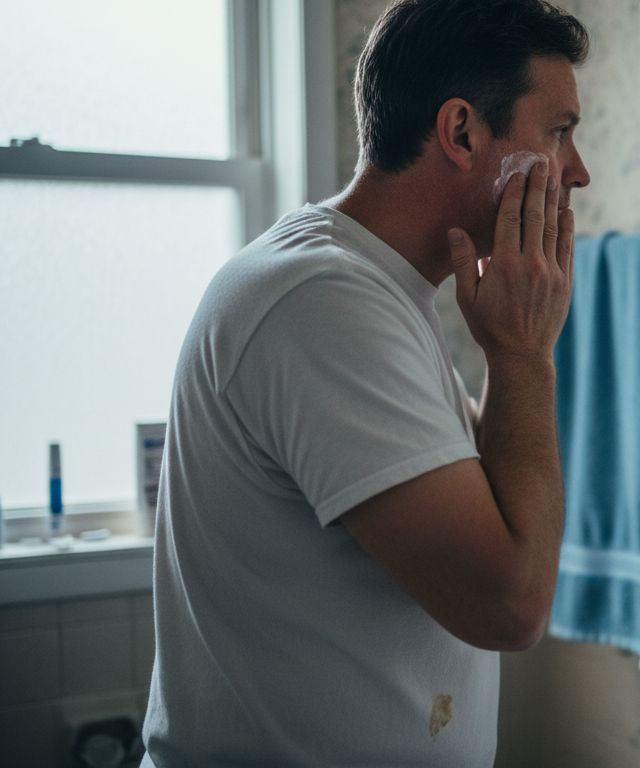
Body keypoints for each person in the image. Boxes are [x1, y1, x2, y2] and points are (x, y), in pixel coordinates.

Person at [140, 1, 590, 764]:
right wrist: (523, 356)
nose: (578, 170)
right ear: (461, 132)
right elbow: (509, 604)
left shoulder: (373, 291)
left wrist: (510, 349)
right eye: (559, 132)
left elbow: (485, 507)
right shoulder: (321, 300)